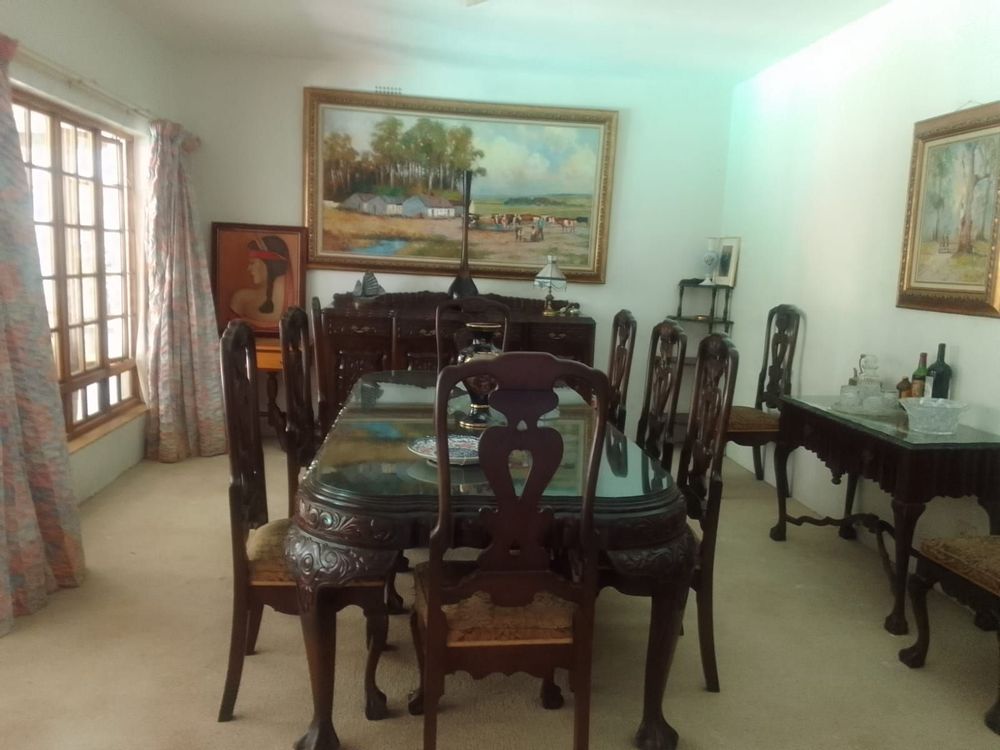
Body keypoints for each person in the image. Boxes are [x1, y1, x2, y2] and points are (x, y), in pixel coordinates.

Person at [229, 235, 290, 324]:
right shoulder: (241, 298)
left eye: (252, 263)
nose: (248, 268)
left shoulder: (242, 299)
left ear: (270, 265)